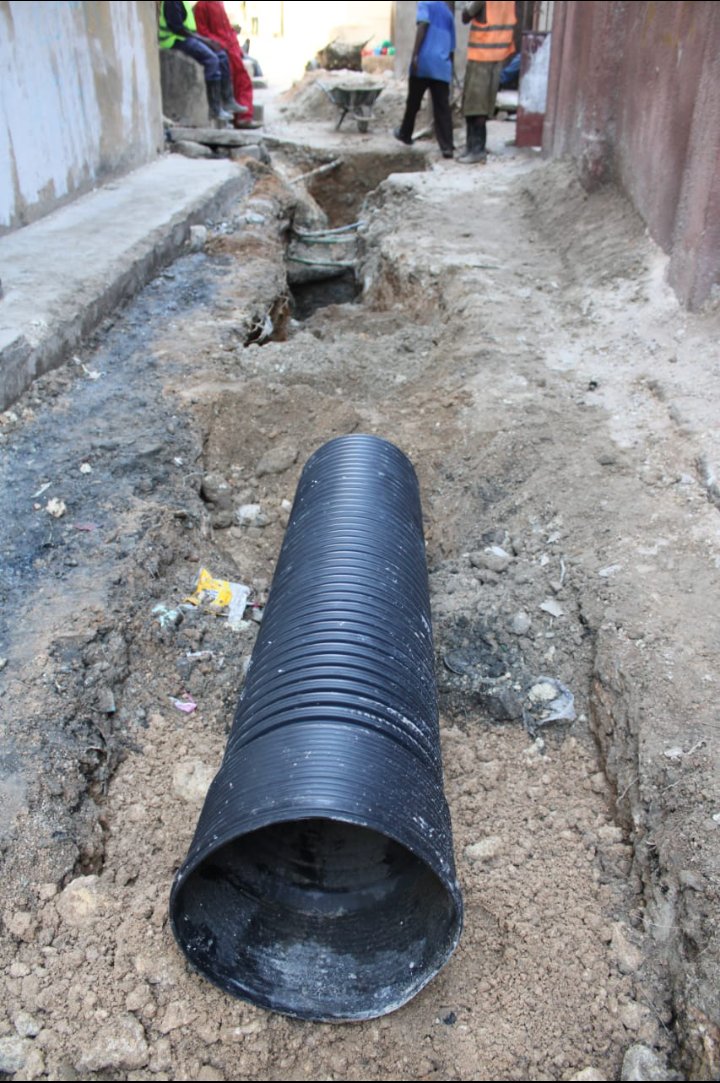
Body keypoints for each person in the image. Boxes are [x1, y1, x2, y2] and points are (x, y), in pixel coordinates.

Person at [158, 0, 247, 123]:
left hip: (184, 37)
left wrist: (205, 40)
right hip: (174, 40)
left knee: (221, 55)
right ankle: (214, 109)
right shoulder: (172, 2)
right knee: (211, 60)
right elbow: (177, 28)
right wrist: (204, 40)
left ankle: (228, 100)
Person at [458, 0, 518, 164]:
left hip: (482, 53)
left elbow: (465, 16)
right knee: (478, 104)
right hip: (495, 54)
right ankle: (472, 147)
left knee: (476, 106)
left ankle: (476, 149)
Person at [394, 1, 456, 159]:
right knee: (442, 108)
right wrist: (449, 68)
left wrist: (415, 54)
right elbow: (451, 47)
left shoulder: (425, 4)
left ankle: (405, 133)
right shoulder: (448, 13)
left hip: (424, 62)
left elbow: (423, 25)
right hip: (441, 65)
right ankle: (447, 146)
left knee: (413, 101)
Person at [193, 2, 260, 129]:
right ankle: (242, 118)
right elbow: (203, 32)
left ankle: (242, 117)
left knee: (242, 79)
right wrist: (220, 43)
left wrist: (235, 45)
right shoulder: (203, 5)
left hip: (230, 47)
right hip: (223, 48)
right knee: (240, 80)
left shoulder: (217, 3)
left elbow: (225, 28)